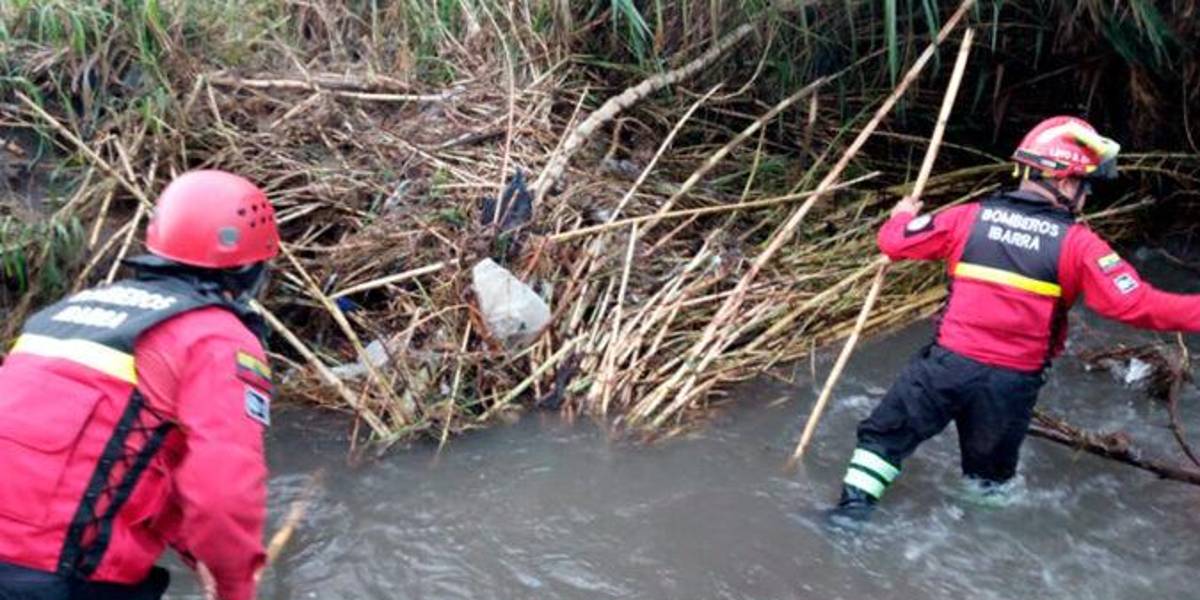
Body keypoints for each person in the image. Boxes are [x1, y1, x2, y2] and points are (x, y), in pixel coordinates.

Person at [828, 116, 1200, 524]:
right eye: (1086, 186)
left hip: (946, 368)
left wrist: (901, 216)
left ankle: (849, 516)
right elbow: (1137, 305)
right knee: (988, 479)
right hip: (1010, 387)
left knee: (883, 440)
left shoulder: (967, 218)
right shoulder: (1080, 245)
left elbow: (893, 242)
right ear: (1064, 183)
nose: (1087, 196)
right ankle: (974, 534)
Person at [0, 170, 279, 599]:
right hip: (54, 575)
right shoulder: (215, 339)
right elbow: (221, 491)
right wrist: (233, 587)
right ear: (250, 270)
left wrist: (197, 553)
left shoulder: (64, 313)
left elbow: (129, 452)